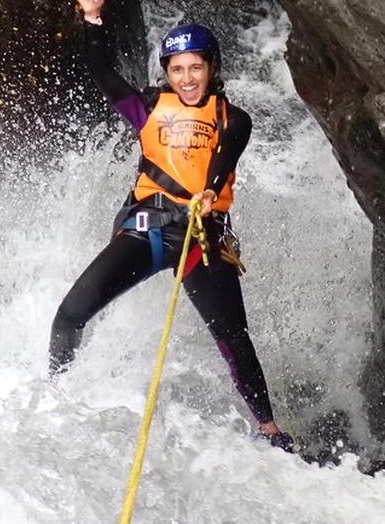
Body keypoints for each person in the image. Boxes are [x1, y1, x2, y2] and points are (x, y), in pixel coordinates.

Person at [47, 0, 294, 453]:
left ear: (211, 68)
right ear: (167, 72)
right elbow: (104, 75)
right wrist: (92, 19)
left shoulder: (233, 118)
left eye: (195, 68)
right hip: (148, 229)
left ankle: (269, 429)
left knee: (234, 338)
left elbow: (225, 156)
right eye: (177, 69)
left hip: (202, 237)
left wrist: (207, 191)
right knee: (69, 314)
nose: (186, 78)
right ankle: (51, 396)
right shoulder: (146, 108)